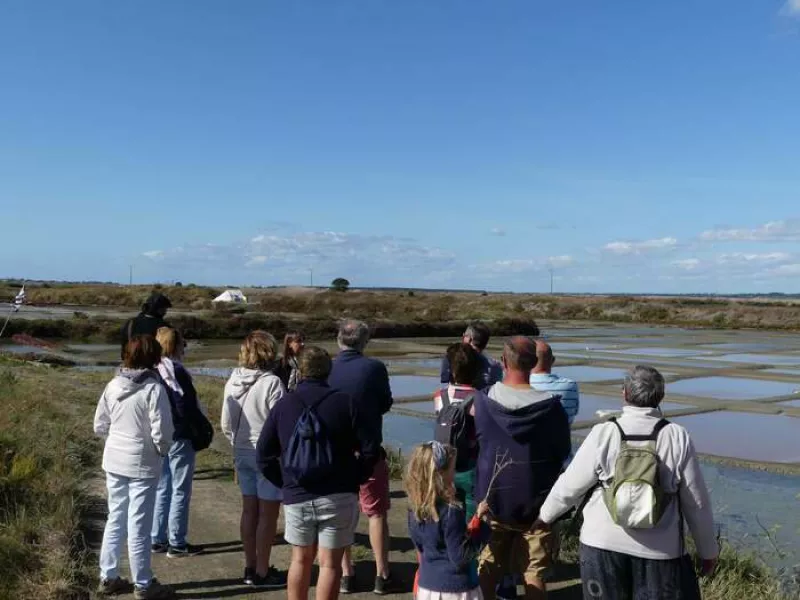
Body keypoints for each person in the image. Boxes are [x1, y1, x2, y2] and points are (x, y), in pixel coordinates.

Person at [537, 366, 719, 600]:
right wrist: (708, 552)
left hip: (601, 544)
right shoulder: (676, 435)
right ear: (660, 397)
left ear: (624, 394)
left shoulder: (604, 432)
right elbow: (697, 503)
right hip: (660, 551)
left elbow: (569, 487)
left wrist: (544, 517)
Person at [257, 346, 381, 600]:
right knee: (330, 564)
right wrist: (355, 478)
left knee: (300, 560)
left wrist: (285, 482)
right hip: (338, 494)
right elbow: (371, 449)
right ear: (328, 370)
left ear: (300, 371)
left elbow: (263, 456)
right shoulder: (346, 402)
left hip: (296, 494)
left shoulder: (284, 404)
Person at [474, 336, 571, 600]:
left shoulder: (483, 402)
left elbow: (477, 442)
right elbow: (562, 454)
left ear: (504, 361)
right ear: (534, 363)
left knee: (488, 566)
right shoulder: (552, 407)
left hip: (492, 500)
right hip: (537, 503)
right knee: (534, 572)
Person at [94, 335, 175, 600]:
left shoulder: (113, 385)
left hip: (115, 460)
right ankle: (143, 584)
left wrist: (116, 442)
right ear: (154, 358)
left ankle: (108, 577)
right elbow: (163, 433)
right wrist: (159, 453)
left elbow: (100, 425)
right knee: (139, 524)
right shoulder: (154, 389)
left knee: (116, 517)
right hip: (142, 464)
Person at [327, 319, 394, 595]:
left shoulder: (327, 366)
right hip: (368, 451)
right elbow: (386, 403)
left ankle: (346, 574)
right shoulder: (374, 368)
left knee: (342, 513)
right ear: (364, 342)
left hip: (334, 452)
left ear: (339, 340)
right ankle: (382, 575)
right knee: (376, 514)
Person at [220, 331, 286, 589]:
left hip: (242, 452)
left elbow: (226, 422)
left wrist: (236, 443)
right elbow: (278, 424)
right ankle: (261, 571)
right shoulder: (272, 383)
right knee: (267, 517)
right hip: (266, 456)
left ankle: (250, 565)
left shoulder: (232, 380)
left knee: (249, 510)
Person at [407, 442, 491, 600]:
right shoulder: (452, 511)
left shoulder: (414, 510)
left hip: (428, 586)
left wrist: (477, 516)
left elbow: (421, 546)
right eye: (453, 468)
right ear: (442, 474)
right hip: (455, 589)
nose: (455, 473)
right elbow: (461, 557)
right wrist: (484, 531)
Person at [151, 327, 202, 557]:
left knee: (163, 488)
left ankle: (157, 538)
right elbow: (186, 404)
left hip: (159, 435)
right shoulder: (177, 370)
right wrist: (197, 427)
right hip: (180, 435)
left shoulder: (153, 369)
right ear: (175, 345)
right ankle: (177, 543)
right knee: (180, 490)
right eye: (182, 343)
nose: (184, 347)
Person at [432, 342, 481, 518]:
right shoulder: (480, 399)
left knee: (444, 511)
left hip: (443, 464)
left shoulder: (440, 396)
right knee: (470, 514)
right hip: (470, 465)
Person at [529, 340, 579, 426]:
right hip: (561, 438)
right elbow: (574, 412)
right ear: (552, 360)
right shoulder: (570, 386)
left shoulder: (521, 386)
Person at [440, 322, 503, 390]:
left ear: (469, 339)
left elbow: (445, 379)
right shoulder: (496, 366)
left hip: (457, 397)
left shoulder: (452, 357)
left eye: (464, 336)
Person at [120, 292, 172, 358]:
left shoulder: (130, 322)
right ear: (159, 309)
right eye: (164, 309)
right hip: (153, 365)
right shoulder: (164, 326)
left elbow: (124, 349)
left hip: (130, 364)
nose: (165, 312)